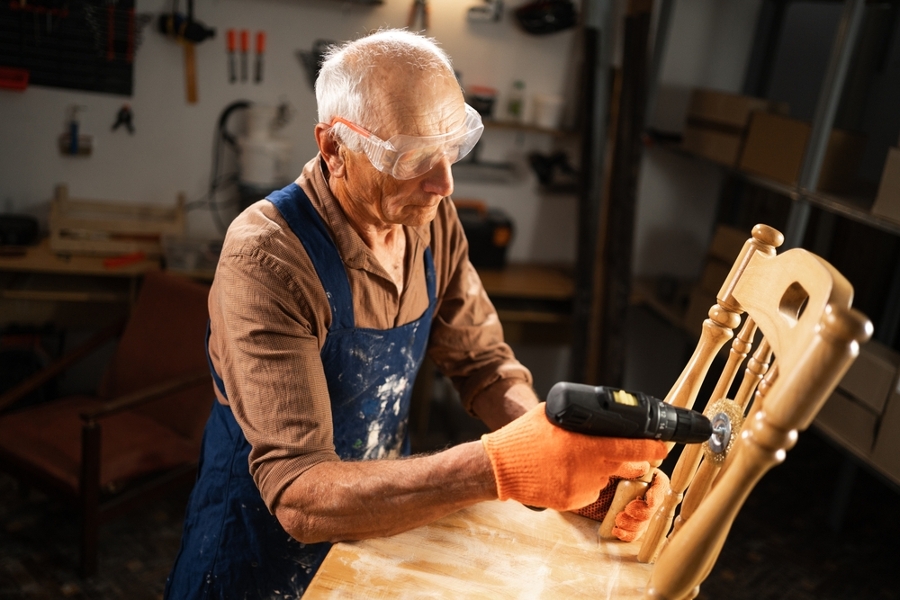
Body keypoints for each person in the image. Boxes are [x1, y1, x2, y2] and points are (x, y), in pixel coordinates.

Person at [165, 29, 667, 599]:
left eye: (452, 145)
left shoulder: (427, 217)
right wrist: (499, 466)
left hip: (381, 526)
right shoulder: (268, 257)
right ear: (334, 149)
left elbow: (483, 365)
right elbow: (301, 493)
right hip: (257, 559)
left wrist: (557, 455)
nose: (444, 182)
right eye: (412, 156)